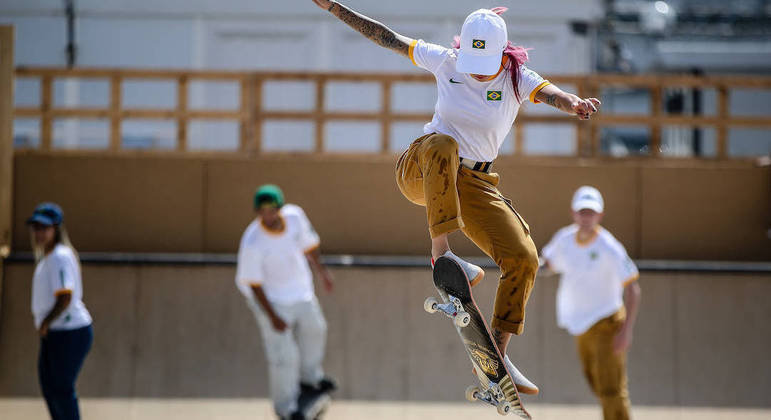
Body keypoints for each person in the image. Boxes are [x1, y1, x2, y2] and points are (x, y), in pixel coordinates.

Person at [311, 0, 602, 395]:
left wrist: (576, 105)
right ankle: (441, 253)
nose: (476, 72)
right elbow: (386, 37)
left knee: (523, 257)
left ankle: (496, 361)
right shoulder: (447, 60)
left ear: (502, 54)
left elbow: (555, 95)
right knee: (444, 144)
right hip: (422, 167)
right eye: (471, 61)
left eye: (484, 64)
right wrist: (334, 8)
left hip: (475, 184)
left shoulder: (518, 78)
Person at [235, 185, 336, 420]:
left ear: (280, 208)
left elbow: (310, 246)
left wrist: (323, 273)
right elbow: (254, 285)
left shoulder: (295, 217)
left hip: (301, 292)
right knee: (285, 355)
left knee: (315, 329)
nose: (268, 215)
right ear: (257, 212)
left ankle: (310, 379)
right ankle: (285, 407)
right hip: (270, 301)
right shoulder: (253, 242)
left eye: (272, 210)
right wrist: (273, 317)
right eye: (263, 211)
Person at [540, 186, 642, 420]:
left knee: (611, 388)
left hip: (607, 322)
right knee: (596, 383)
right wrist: (528, 266)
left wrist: (626, 331)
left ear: (600, 215)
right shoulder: (564, 239)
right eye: (582, 212)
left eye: (591, 213)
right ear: (573, 213)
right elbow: (548, 264)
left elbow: (633, 289)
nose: (586, 218)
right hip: (581, 326)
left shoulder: (609, 246)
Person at [27, 202, 93, 420]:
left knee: (62, 390)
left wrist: (46, 321)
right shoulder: (47, 257)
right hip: (56, 332)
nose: (39, 233)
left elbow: (65, 296)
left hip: (69, 331)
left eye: (44, 228)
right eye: (36, 228)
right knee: (50, 388)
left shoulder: (59, 256)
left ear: (56, 229)